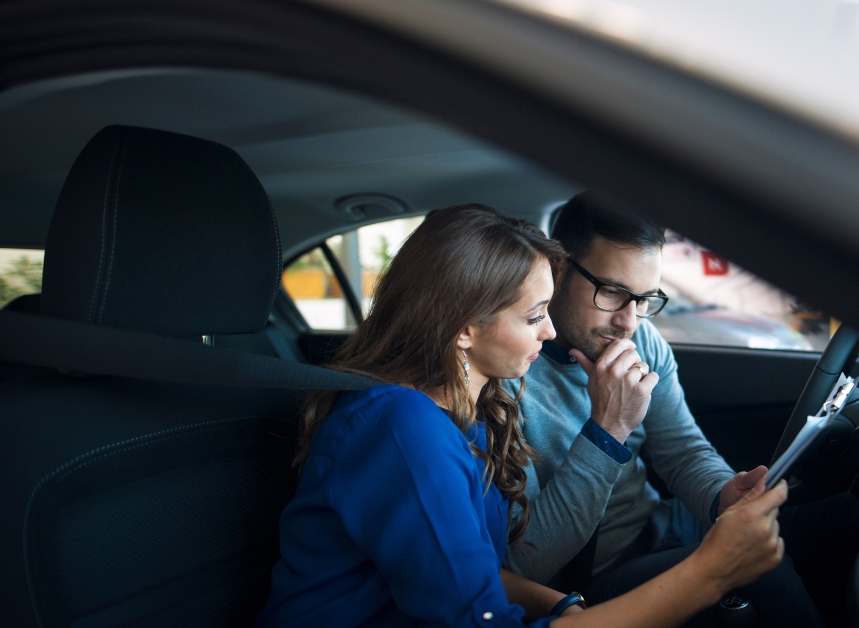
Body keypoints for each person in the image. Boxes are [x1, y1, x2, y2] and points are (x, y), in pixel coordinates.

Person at [257, 204, 788, 628]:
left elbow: (475, 570)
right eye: (535, 316)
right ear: (464, 328)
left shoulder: (472, 408)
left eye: (645, 299)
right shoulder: (406, 429)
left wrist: (556, 605)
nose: (550, 331)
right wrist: (712, 572)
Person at [503, 193, 824, 627]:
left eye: (645, 299)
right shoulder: (506, 373)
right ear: (557, 269)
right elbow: (524, 563)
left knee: (833, 514)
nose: (630, 322)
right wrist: (607, 429)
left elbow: (683, 451)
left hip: (663, 525)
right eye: (612, 292)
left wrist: (720, 494)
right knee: (765, 570)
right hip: (597, 582)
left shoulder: (643, 340)